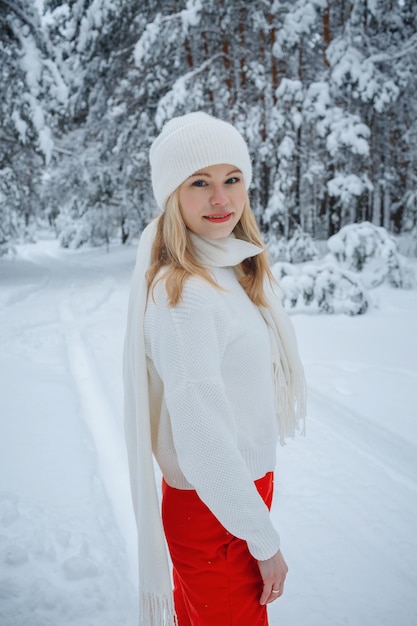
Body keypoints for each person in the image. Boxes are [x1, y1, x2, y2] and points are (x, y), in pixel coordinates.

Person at [123, 112, 306, 626]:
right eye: (199, 183)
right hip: (215, 511)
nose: (221, 198)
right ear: (172, 196)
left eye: (232, 179)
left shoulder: (229, 268)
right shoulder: (186, 295)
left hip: (230, 499)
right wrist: (263, 540)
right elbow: (201, 435)